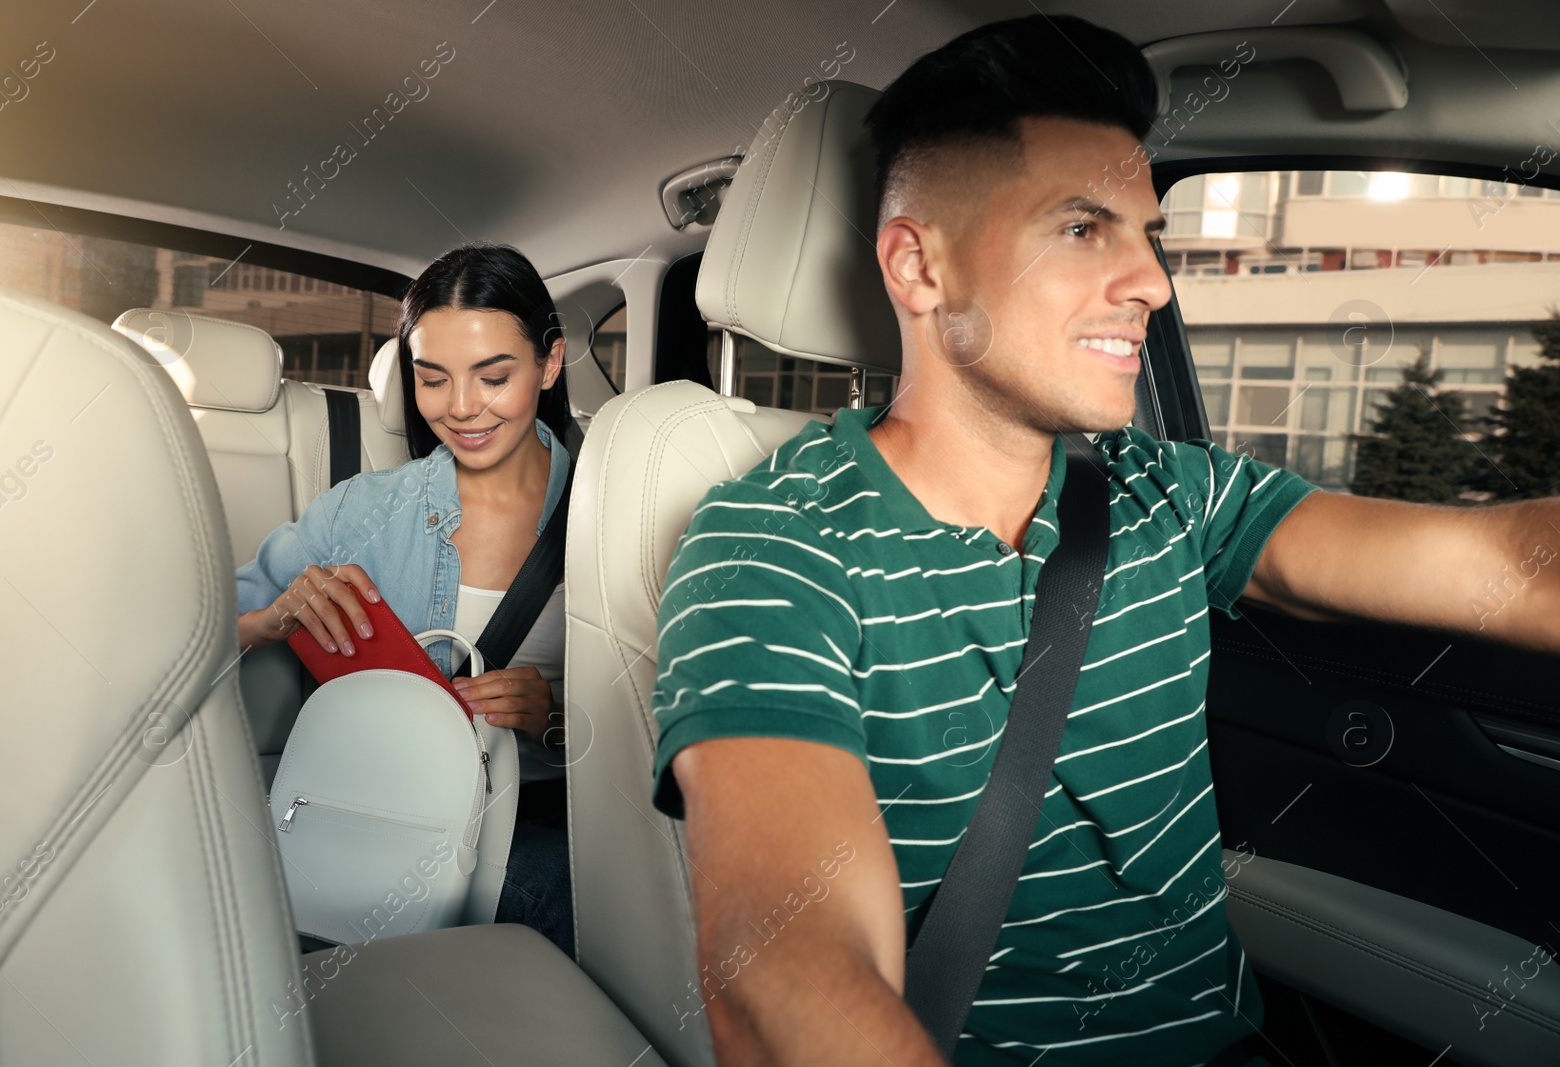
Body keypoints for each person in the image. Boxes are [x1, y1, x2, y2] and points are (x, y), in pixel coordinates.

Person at [648, 15, 1560, 1067]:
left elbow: (1504, 566)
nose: (1151, 282)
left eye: (1148, 233)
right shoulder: (775, 546)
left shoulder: (1172, 494)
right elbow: (787, 971)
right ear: (918, 266)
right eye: (1082, 228)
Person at [236, 242, 575, 958]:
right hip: (385, 811)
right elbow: (188, 631)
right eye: (432, 378)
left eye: (493, 376)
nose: (460, 408)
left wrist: (555, 721)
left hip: (550, 823)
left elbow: (671, 735)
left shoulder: (618, 514)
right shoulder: (362, 511)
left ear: (550, 362)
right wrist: (269, 620)